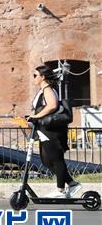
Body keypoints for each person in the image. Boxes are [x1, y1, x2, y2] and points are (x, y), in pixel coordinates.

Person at [27, 65, 81, 198]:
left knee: (56, 159)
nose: (33, 78)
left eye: (35, 75)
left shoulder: (48, 90)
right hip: (44, 130)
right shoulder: (43, 91)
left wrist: (36, 116)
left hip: (51, 131)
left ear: (42, 77)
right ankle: (72, 183)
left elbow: (52, 105)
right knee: (46, 161)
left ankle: (60, 189)